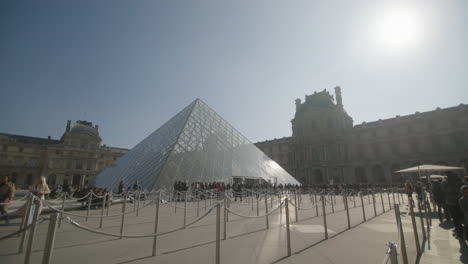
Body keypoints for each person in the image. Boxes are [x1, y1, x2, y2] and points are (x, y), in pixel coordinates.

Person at [442, 172, 464, 239]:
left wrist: (444, 179)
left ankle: (460, 235)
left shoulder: (447, 183)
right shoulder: (460, 182)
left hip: (451, 203)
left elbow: (443, 188)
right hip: (461, 202)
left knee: (456, 220)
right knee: (463, 218)